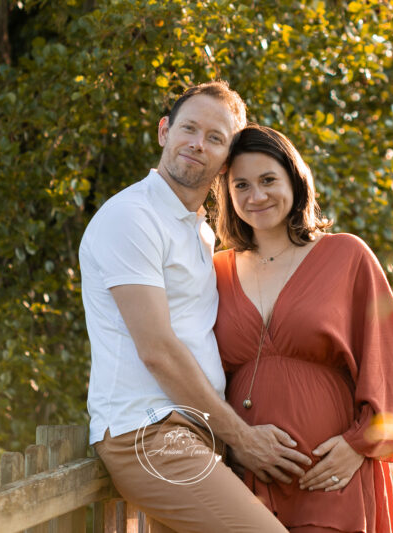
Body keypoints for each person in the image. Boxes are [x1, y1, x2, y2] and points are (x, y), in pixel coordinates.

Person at [79, 82, 310, 532]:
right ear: (165, 131)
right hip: (148, 433)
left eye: (215, 138)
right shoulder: (132, 217)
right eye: (189, 128)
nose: (197, 144)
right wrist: (241, 438)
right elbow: (157, 350)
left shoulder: (200, 232)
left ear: (226, 161)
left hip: (194, 435)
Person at [212, 124, 393, 532]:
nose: (255, 196)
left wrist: (357, 448)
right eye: (241, 185)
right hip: (247, 479)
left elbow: (390, 367)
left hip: (331, 476)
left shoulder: (346, 256)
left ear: (295, 182)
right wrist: (236, 443)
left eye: (267, 180)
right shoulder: (214, 271)